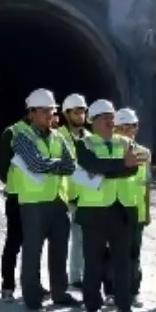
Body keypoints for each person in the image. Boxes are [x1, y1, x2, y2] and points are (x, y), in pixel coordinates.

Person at [10, 88, 80, 311]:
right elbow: (35, 165)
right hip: (33, 203)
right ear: (31, 113)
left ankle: (60, 293)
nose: (49, 115)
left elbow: (70, 166)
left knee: (59, 249)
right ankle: (32, 298)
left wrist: (50, 163)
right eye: (44, 111)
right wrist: (54, 163)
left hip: (57, 201)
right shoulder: (22, 137)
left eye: (51, 110)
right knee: (32, 251)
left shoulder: (59, 136)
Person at [73, 100, 143, 312]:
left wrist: (110, 170)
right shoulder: (84, 144)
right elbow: (93, 165)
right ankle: (92, 304)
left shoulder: (125, 142)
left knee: (122, 260)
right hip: (93, 211)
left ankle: (124, 304)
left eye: (112, 118)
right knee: (93, 260)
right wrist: (120, 166)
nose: (110, 123)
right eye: (105, 119)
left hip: (120, 210)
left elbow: (132, 170)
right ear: (93, 122)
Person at [113, 108, 150, 307]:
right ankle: (111, 291)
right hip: (115, 210)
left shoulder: (144, 153)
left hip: (136, 210)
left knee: (134, 254)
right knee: (112, 253)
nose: (128, 131)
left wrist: (147, 212)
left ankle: (133, 291)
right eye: (123, 127)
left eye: (132, 127)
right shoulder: (109, 152)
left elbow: (146, 185)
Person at [0, 112, 27, 302]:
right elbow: (0, 165)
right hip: (16, 197)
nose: (50, 116)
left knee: (33, 245)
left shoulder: (47, 134)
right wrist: (12, 182)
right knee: (14, 242)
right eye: (45, 111)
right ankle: (8, 285)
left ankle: (32, 283)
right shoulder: (12, 133)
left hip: (37, 199)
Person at [58, 93, 88, 288]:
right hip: (62, 195)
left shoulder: (91, 138)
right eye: (76, 112)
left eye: (83, 112)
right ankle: (59, 280)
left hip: (84, 195)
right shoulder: (57, 135)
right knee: (59, 241)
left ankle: (77, 278)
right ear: (67, 114)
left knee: (81, 239)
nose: (80, 116)